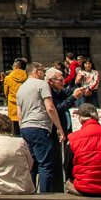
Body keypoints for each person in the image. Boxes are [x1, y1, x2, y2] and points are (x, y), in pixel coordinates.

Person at [17, 65, 66, 193]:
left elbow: (19, 114)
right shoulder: (42, 84)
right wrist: (59, 128)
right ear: (36, 71)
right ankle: (45, 196)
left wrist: (22, 127)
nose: (44, 74)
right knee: (45, 165)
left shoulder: (21, 88)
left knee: (31, 166)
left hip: (26, 128)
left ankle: (31, 193)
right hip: (39, 126)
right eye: (42, 71)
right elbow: (50, 107)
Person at [64, 102, 101, 196]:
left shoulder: (73, 138)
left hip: (86, 188)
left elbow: (67, 168)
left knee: (68, 184)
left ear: (79, 118)